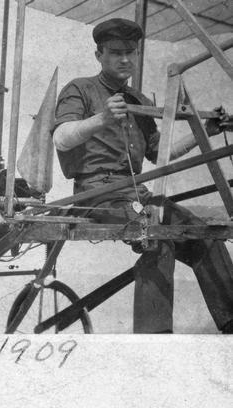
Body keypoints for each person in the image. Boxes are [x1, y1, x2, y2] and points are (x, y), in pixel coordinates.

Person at [53, 18, 233, 333]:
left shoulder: (139, 101)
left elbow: (162, 154)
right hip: (94, 195)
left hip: (137, 196)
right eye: (115, 52)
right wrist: (101, 119)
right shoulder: (79, 88)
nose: (125, 59)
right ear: (99, 55)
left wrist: (205, 131)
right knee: (156, 236)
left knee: (202, 233)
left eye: (131, 53)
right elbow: (62, 138)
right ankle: (154, 339)